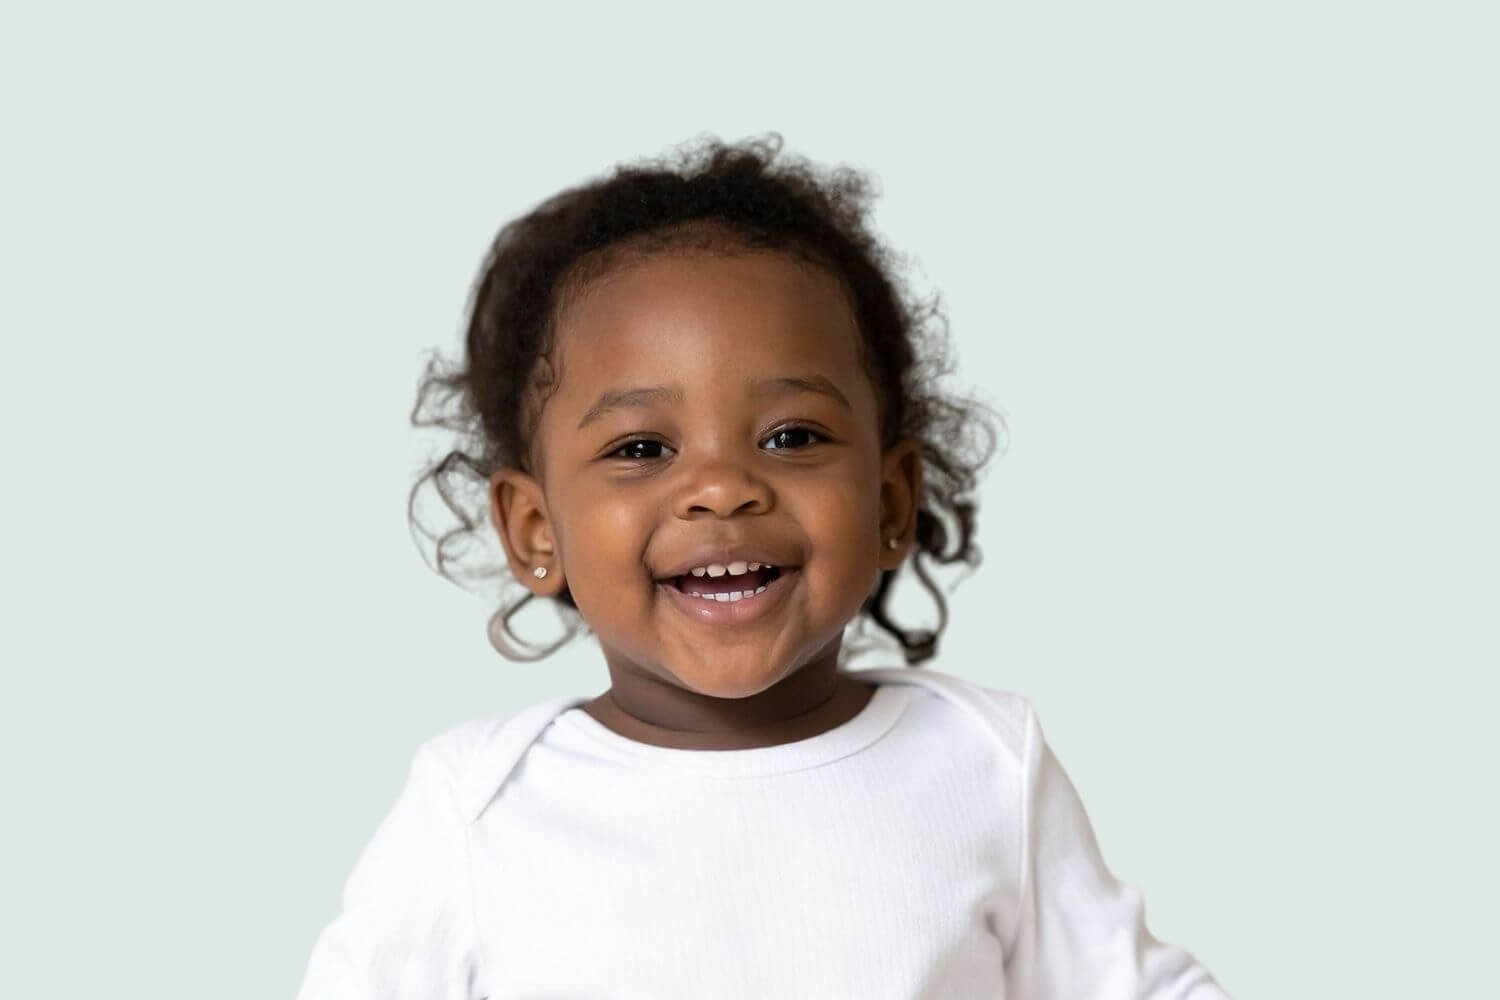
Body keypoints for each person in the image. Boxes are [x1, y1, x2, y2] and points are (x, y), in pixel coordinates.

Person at [295, 134, 1232, 999]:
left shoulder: (985, 763)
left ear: (890, 503)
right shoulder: (476, 806)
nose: (721, 489)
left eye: (791, 435)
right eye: (641, 449)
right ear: (537, 530)